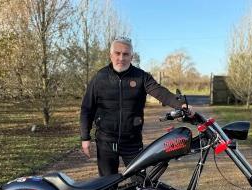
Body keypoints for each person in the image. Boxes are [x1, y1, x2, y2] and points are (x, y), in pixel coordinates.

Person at [80, 37, 191, 177]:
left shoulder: (141, 77)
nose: (121, 58)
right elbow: (87, 108)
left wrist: (181, 104)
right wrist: (85, 138)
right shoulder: (100, 77)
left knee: (139, 184)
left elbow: (161, 93)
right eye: (117, 53)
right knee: (107, 187)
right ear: (111, 55)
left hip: (132, 142)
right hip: (105, 142)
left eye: (126, 54)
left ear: (131, 56)